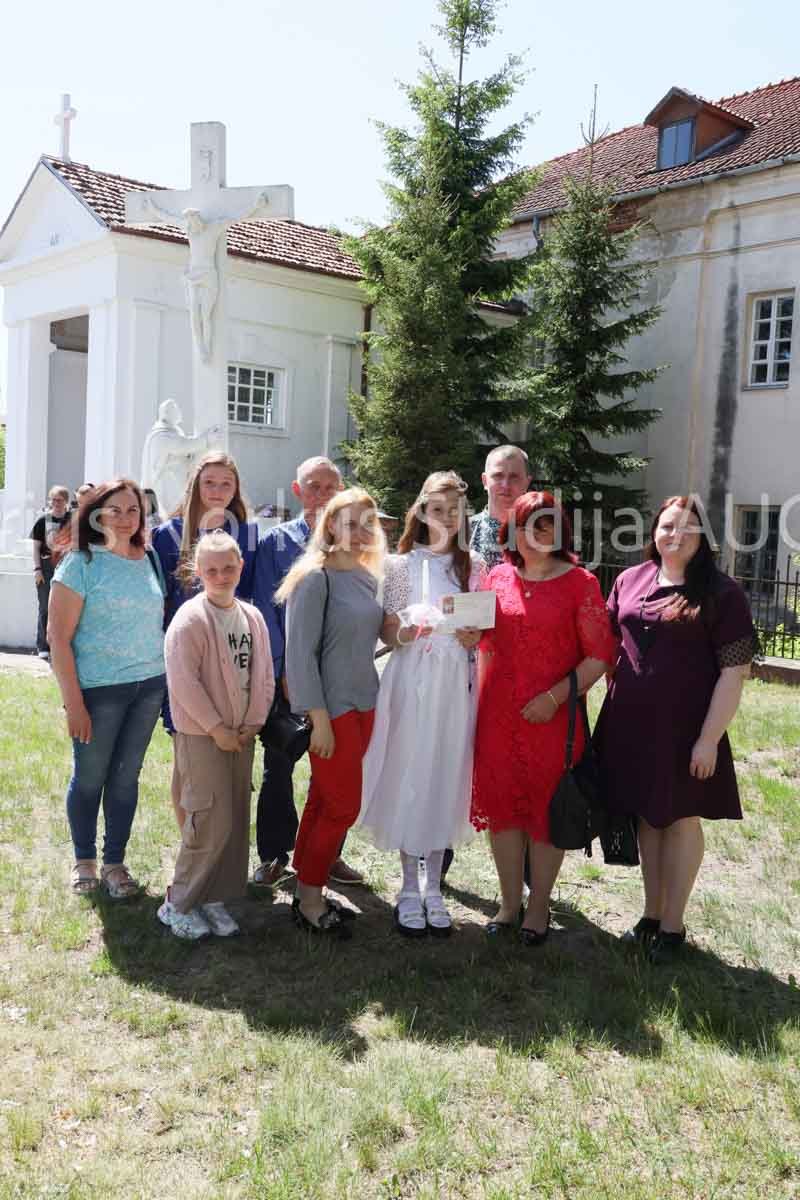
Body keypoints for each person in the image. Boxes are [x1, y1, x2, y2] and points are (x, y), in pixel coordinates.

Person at [593, 496, 758, 964]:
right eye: (667, 526)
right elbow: (609, 644)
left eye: (687, 527)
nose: (675, 535)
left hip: (687, 730)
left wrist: (708, 739)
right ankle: (650, 914)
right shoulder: (630, 579)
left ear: (703, 536)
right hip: (631, 725)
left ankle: (673, 925)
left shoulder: (723, 594)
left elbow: (734, 673)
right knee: (649, 817)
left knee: (681, 818)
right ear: (654, 532)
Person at [471, 491, 616, 945]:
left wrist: (554, 699)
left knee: (546, 814)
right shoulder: (496, 577)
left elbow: (599, 656)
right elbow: (481, 643)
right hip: (498, 717)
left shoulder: (580, 584)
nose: (534, 534)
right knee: (504, 812)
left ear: (559, 532)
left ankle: (538, 908)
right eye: (525, 525)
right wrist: (466, 635)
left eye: (545, 524)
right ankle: (508, 904)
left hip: (552, 719)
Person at [359, 472, 484, 937]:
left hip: (454, 682)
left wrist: (475, 636)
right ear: (422, 512)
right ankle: (409, 885)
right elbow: (387, 629)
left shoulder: (474, 565)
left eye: (454, 511)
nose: (446, 518)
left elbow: (481, 628)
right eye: (437, 510)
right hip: (412, 676)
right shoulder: (400, 565)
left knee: (444, 772)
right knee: (410, 771)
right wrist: (404, 632)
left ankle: (435, 886)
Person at [48, 479, 167, 898]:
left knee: (125, 779)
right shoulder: (80, 563)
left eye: (133, 510)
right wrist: (74, 704)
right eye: (114, 510)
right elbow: (58, 639)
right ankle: (84, 861)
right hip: (99, 692)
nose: (125, 518)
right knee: (90, 777)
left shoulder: (149, 558)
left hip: (149, 687)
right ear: (96, 514)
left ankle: (115, 862)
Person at [277, 488, 386, 937]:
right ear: (330, 526)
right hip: (332, 712)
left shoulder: (365, 576)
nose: (360, 533)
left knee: (324, 800)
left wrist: (404, 634)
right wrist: (318, 719)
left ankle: (307, 885)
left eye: (367, 524)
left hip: (365, 704)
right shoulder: (314, 579)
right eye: (350, 524)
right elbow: (300, 657)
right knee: (343, 806)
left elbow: (366, 640)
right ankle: (310, 901)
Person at [252, 456, 364, 889]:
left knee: (334, 773)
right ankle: (274, 855)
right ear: (298, 491)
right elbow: (267, 609)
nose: (323, 495)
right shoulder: (276, 543)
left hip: (338, 680)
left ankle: (327, 854)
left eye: (331, 487)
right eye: (314, 487)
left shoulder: (353, 546)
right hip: (289, 677)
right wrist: (284, 671)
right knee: (279, 766)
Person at [158, 531, 274, 940]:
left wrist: (254, 721)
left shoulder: (251, 616)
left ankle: (213, 895)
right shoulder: (190, 620)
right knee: (208, 820)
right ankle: (177, 903)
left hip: (241, 735)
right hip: (203, 736)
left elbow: (264, 673)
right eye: (211, 570)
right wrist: (216, 728)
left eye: (228, 568)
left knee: (234, 818)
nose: (221, 576)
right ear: (198, 572)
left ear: (241, 567)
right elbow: (183, 683)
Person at [151, 452, 258, 827]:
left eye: (226, 484)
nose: (217, 490)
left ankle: (222, 841)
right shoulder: (168, 534)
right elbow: (159, 600)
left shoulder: (248, 536)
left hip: (234, 655)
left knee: (230, 751)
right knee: (188, 755)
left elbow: (252, 597)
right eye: (209, 482)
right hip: (187, 658)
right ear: (195, 486)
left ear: (236, 489)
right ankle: (191, 843)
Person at [469, 445, 532, 569]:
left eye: (514, 477)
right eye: (498, 476)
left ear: (527, 483)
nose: (506, 485)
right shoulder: (463, 532)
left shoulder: (540, 534)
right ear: (485, 481)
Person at [30, 485, 71, 659]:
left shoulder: (72, 520)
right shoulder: (42, 521)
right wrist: (37, 569)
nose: (56, 503)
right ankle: (43, 646)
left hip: (68, 565)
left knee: (66, 607)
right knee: (45, 605)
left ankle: (63, 645)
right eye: (53, 500)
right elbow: (36, 548)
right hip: (46, 566)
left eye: (59, 500)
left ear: (66, 501)